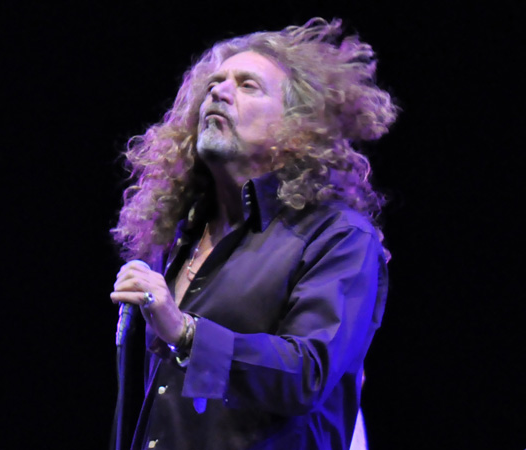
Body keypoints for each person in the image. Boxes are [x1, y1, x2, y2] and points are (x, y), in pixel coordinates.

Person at [110, 17, 397, 450]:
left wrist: (187, 333)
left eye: (248, 86)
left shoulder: (339, 238)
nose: (219, 92)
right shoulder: (179, 238)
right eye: (214, 84)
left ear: (297, 129)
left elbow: (308, 373)